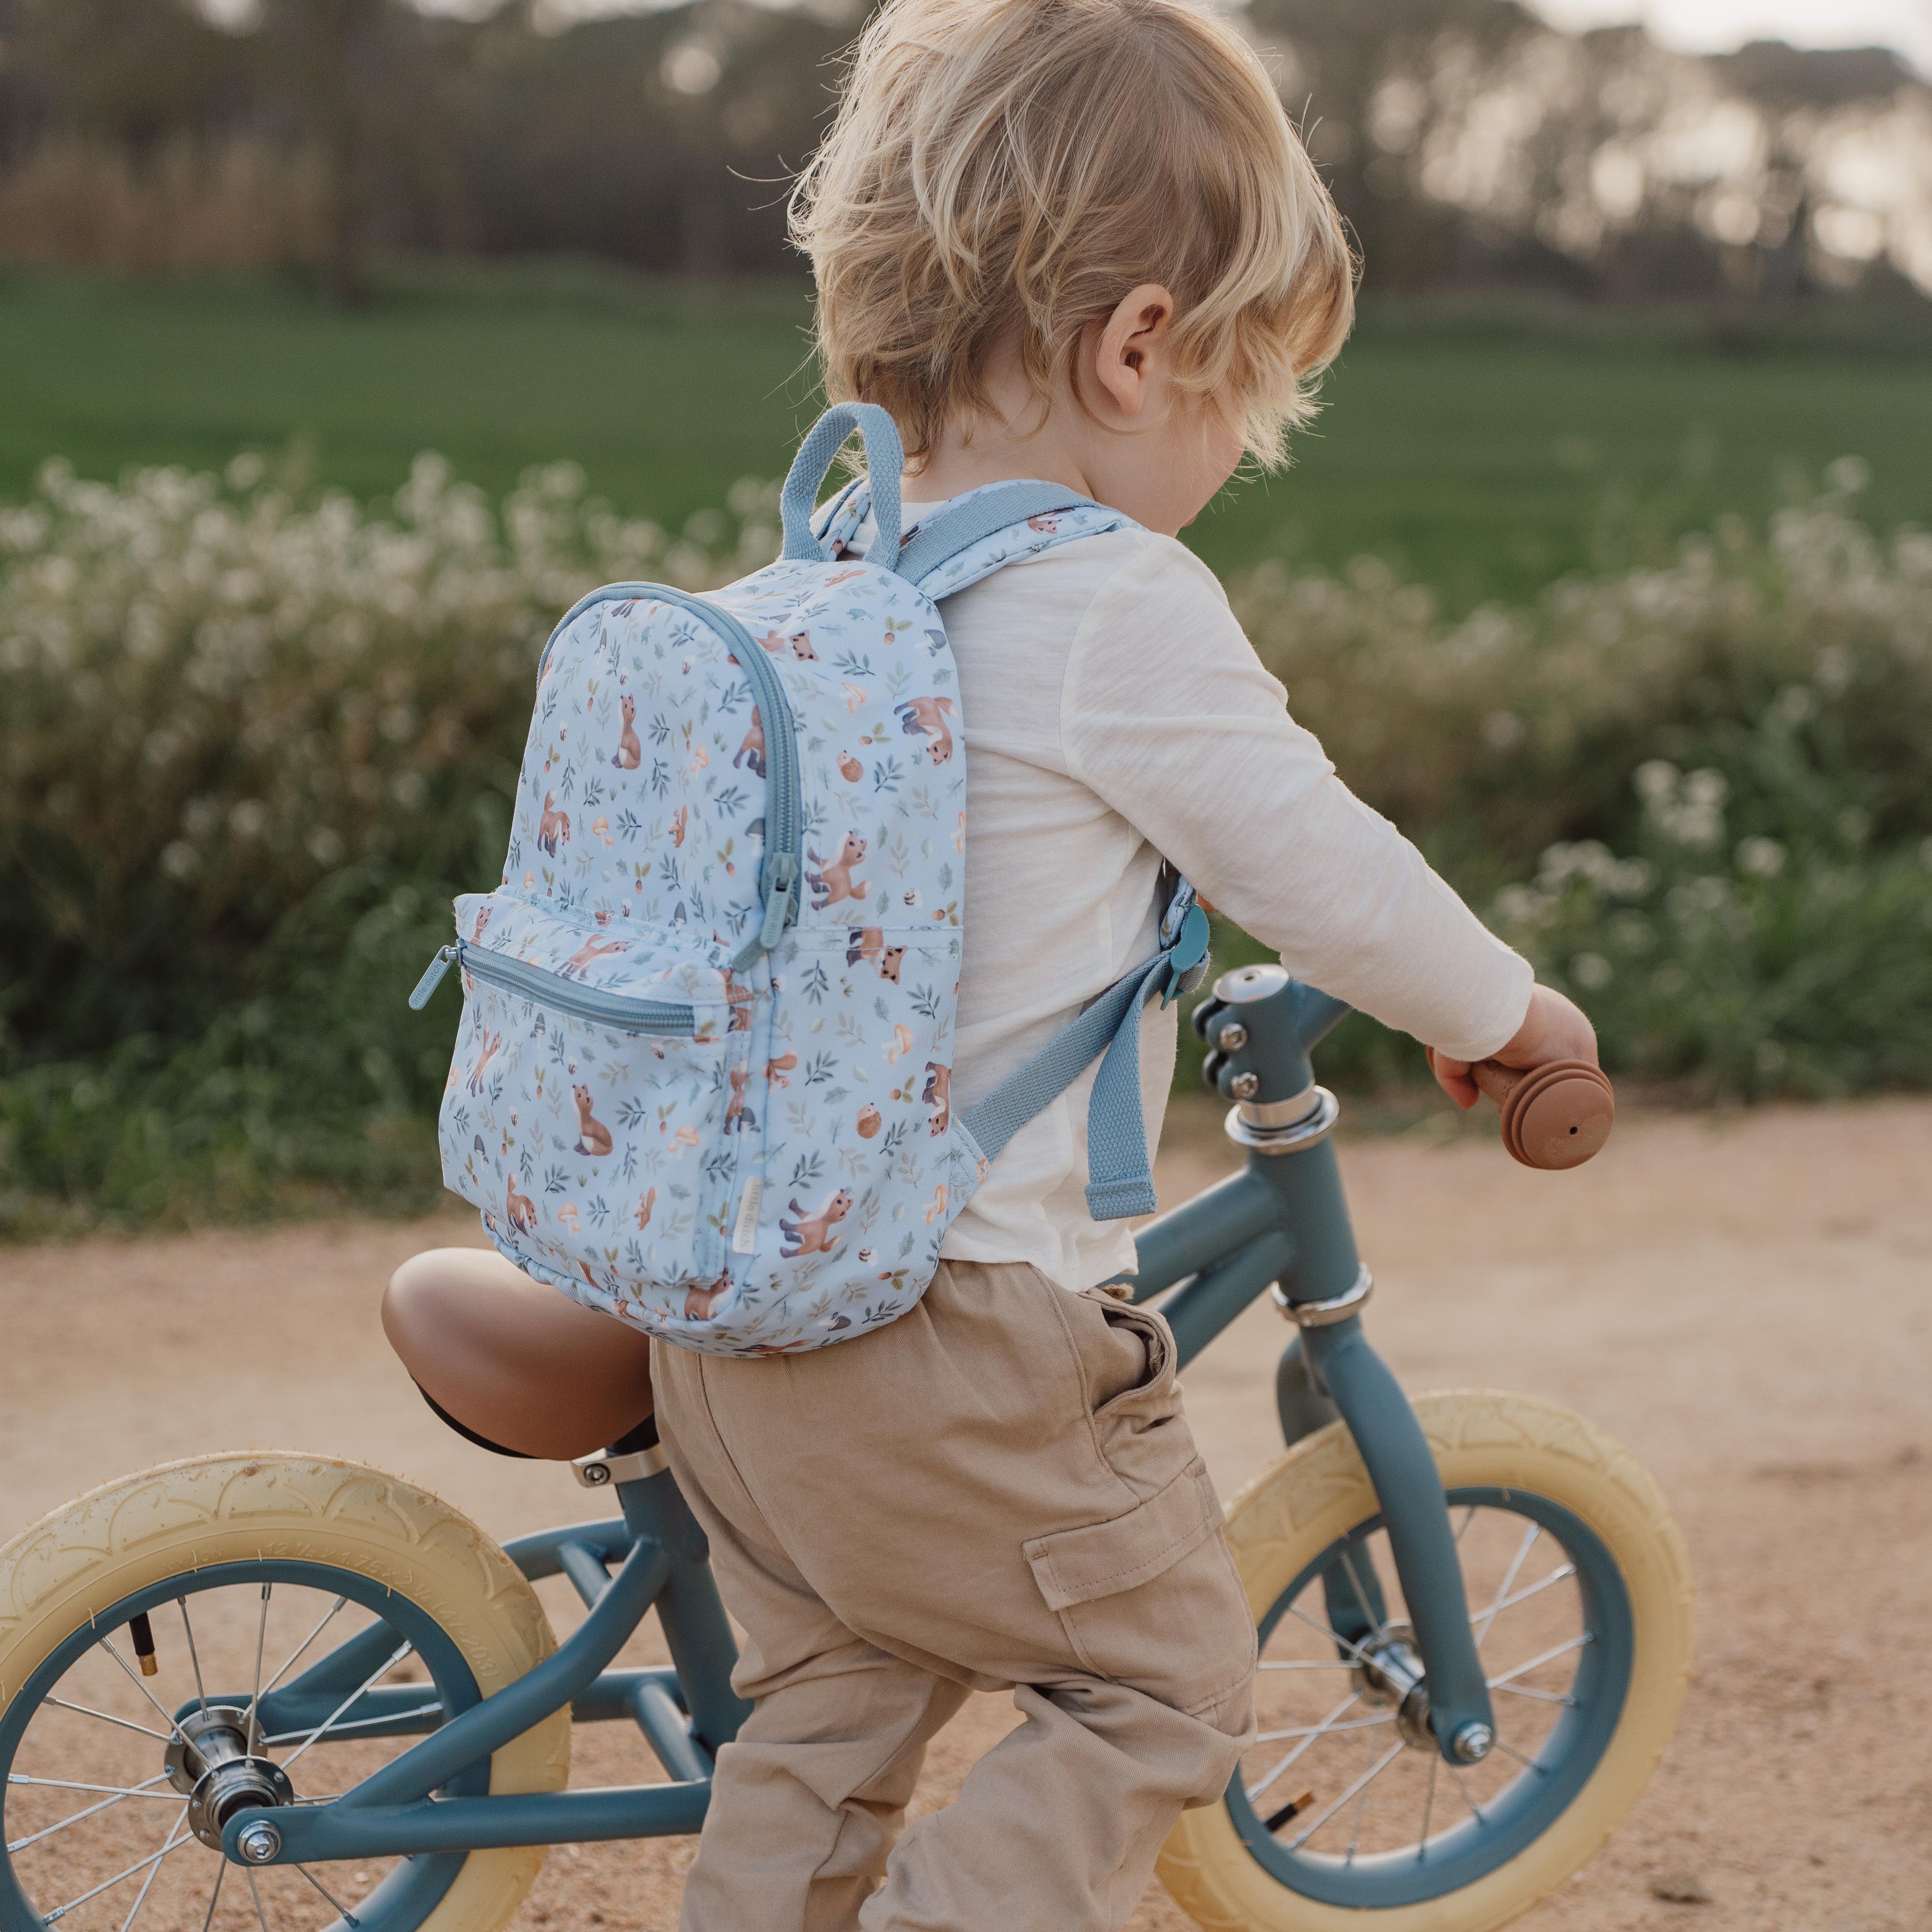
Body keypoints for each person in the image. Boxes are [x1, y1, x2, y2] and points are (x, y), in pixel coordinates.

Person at [392, 0, 1599, 1921]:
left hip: (744, 1318)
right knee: (1163, 1688)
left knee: (831, 1702)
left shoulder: (843, 560)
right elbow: (1326, 870)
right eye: (1243, 395)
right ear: (1140, 348)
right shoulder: (1116, 603)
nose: (1238, 451)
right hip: (950, 1339)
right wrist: (1506, 1011)